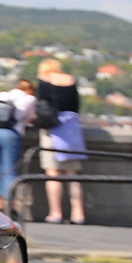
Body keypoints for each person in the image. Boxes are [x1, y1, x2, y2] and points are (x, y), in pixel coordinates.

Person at [36, 58, 86, 224]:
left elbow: (41, 107)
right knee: (73, 175)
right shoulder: (71, 81)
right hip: (72, 129)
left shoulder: (45, 82)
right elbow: (77, 106)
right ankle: (78, 214)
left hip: (53, 130)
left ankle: (55, 213)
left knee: (53, 174)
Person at [0, 79, 35, 212]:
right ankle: (10, 205)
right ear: (29, 89)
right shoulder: (29, 99)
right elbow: (32, 118)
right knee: (9, 170)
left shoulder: (3, 95)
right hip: (10, 134)